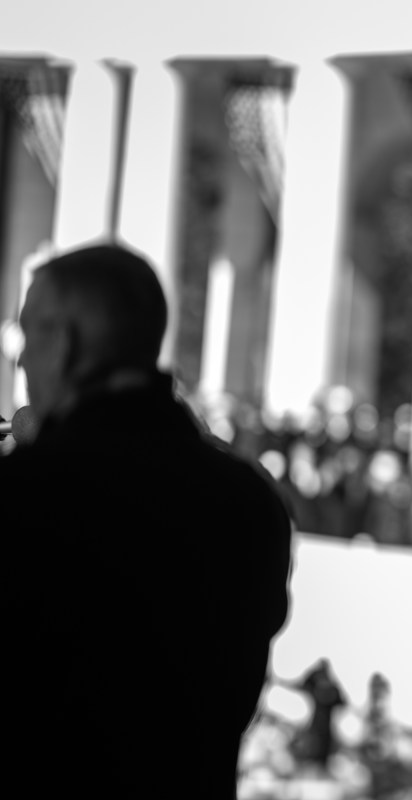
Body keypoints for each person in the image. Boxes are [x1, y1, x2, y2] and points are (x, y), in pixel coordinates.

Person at [0, 243, 293, 799]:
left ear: (64, 344)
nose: (20, 359)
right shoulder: (250, 502)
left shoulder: (23, 497)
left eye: (30, 333)